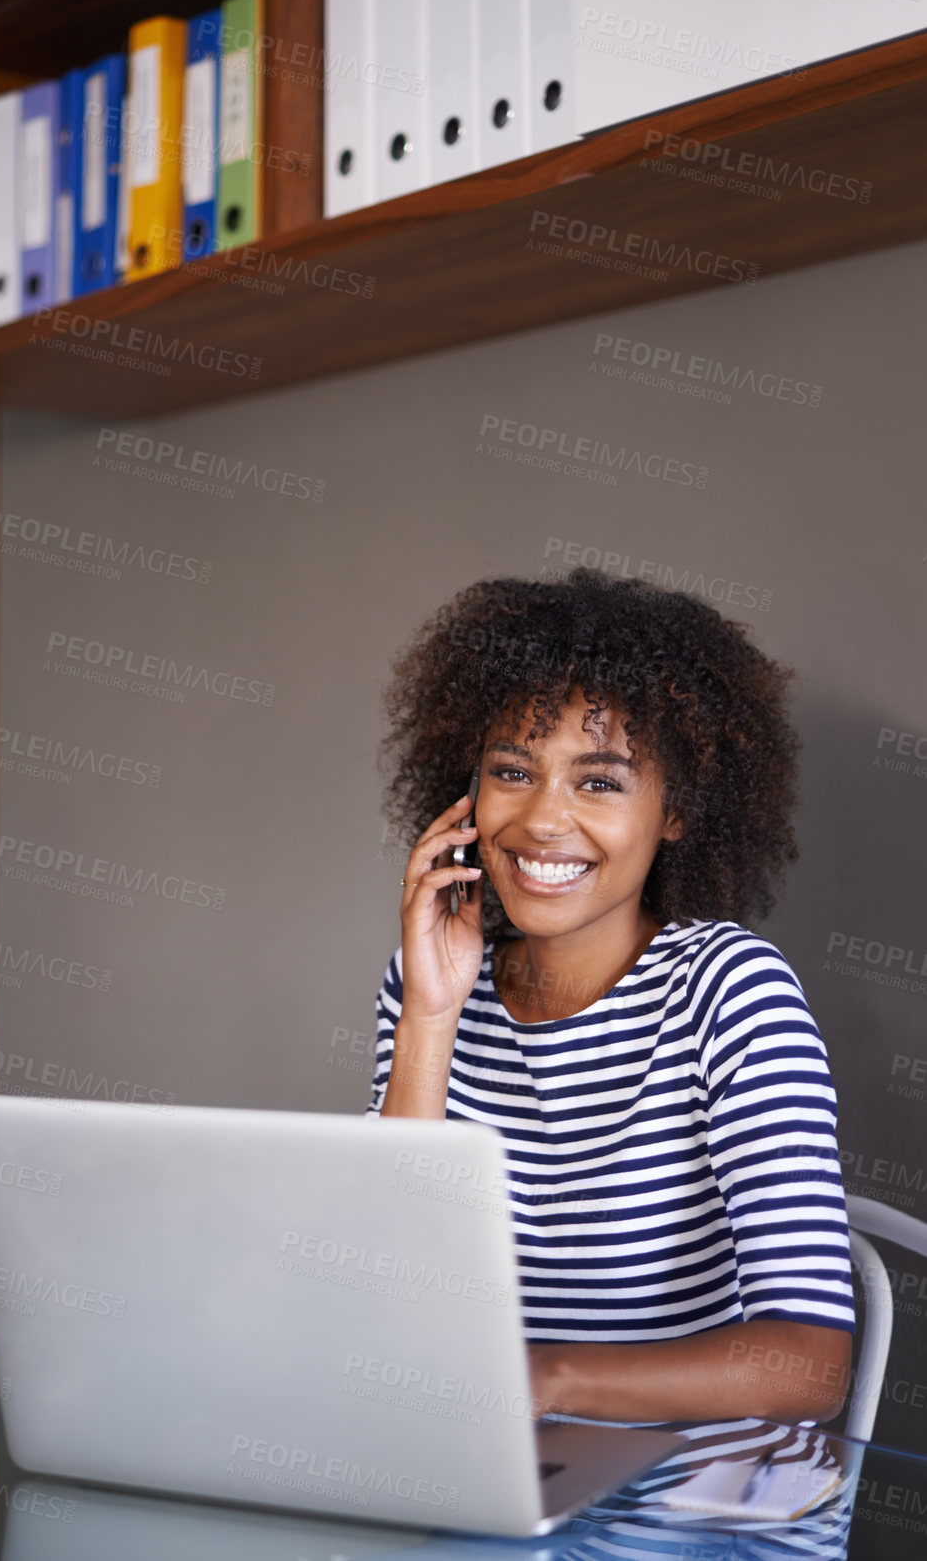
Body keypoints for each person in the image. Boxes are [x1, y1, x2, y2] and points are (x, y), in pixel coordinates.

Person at [365, 568, 855, 1426]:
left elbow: (806, 1365)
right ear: (467, 794)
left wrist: (545, 1380)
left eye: (599, 781)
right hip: (473, 1467)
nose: (544, 820)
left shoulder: (729, 991)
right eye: (512, 770)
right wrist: (431, 1021)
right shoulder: (427, 981)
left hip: (679, 1490)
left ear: (675, 810)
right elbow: (387, 1297)